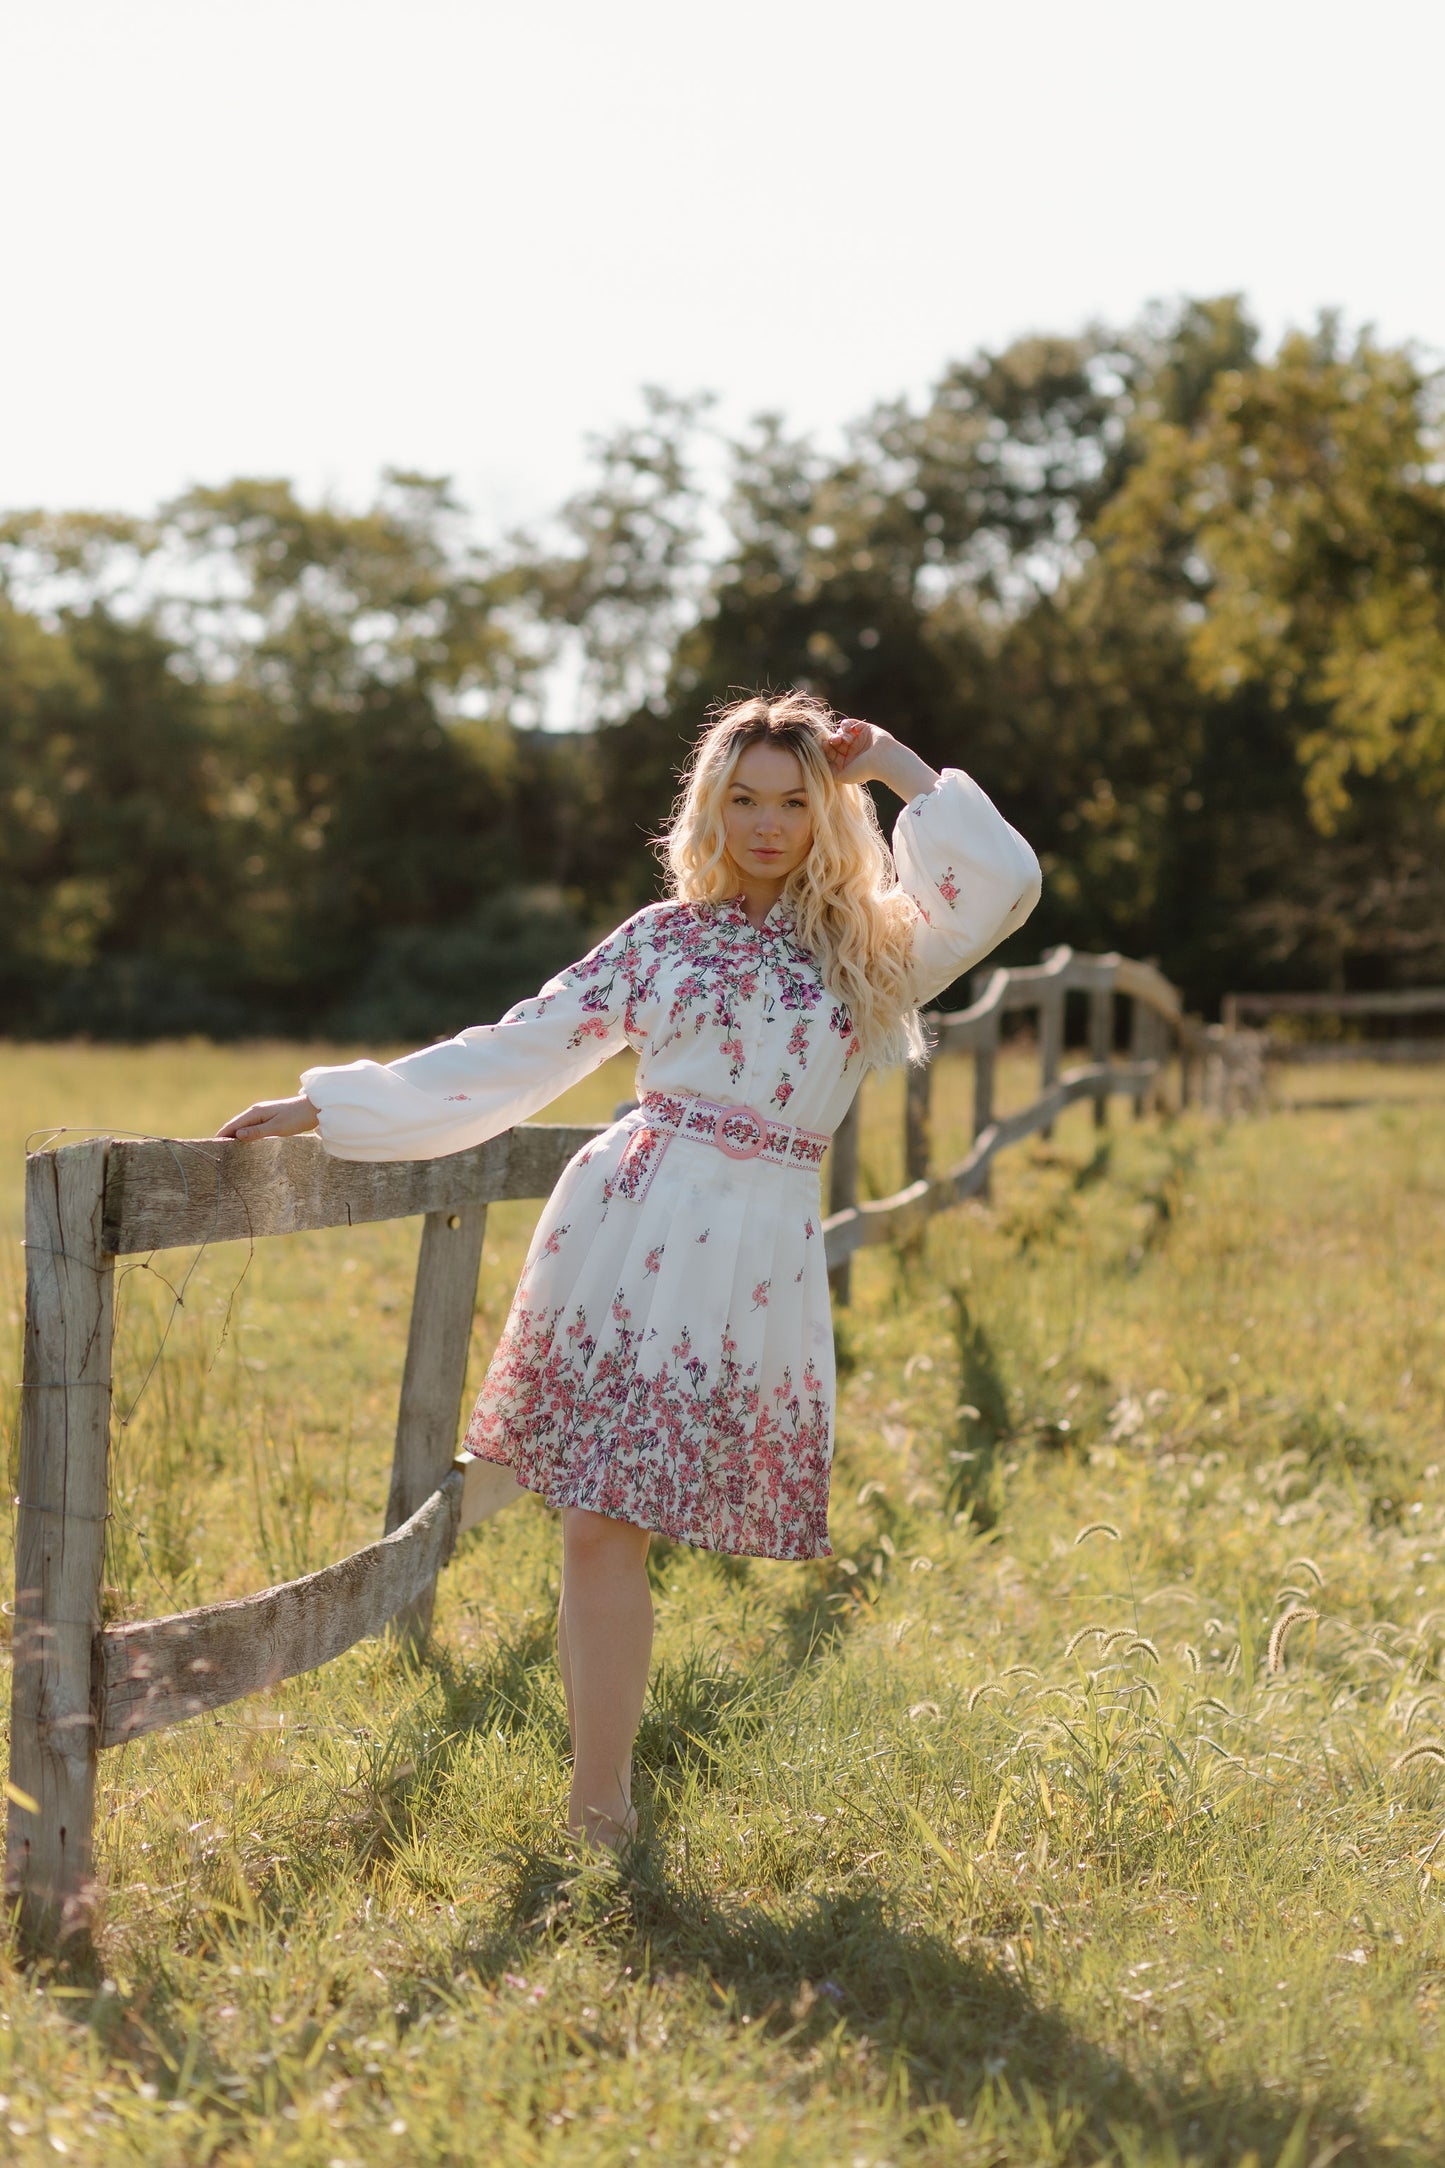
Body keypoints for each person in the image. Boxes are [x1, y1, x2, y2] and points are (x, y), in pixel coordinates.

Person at [218, 691, 1041, 1854]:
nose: (766, 823)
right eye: (742, 799)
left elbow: (1000, 884)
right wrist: (331, 1101)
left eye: (792, 800)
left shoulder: (870, 945)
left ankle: (606, 1795)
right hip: (626, 1223)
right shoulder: (660, 938)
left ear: (825, 810)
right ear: (709, 807)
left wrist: (893, 762)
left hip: (750, 1255)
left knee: (640, 1515)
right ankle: (600, 1806)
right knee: (596, 1524)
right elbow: (518, 1044)